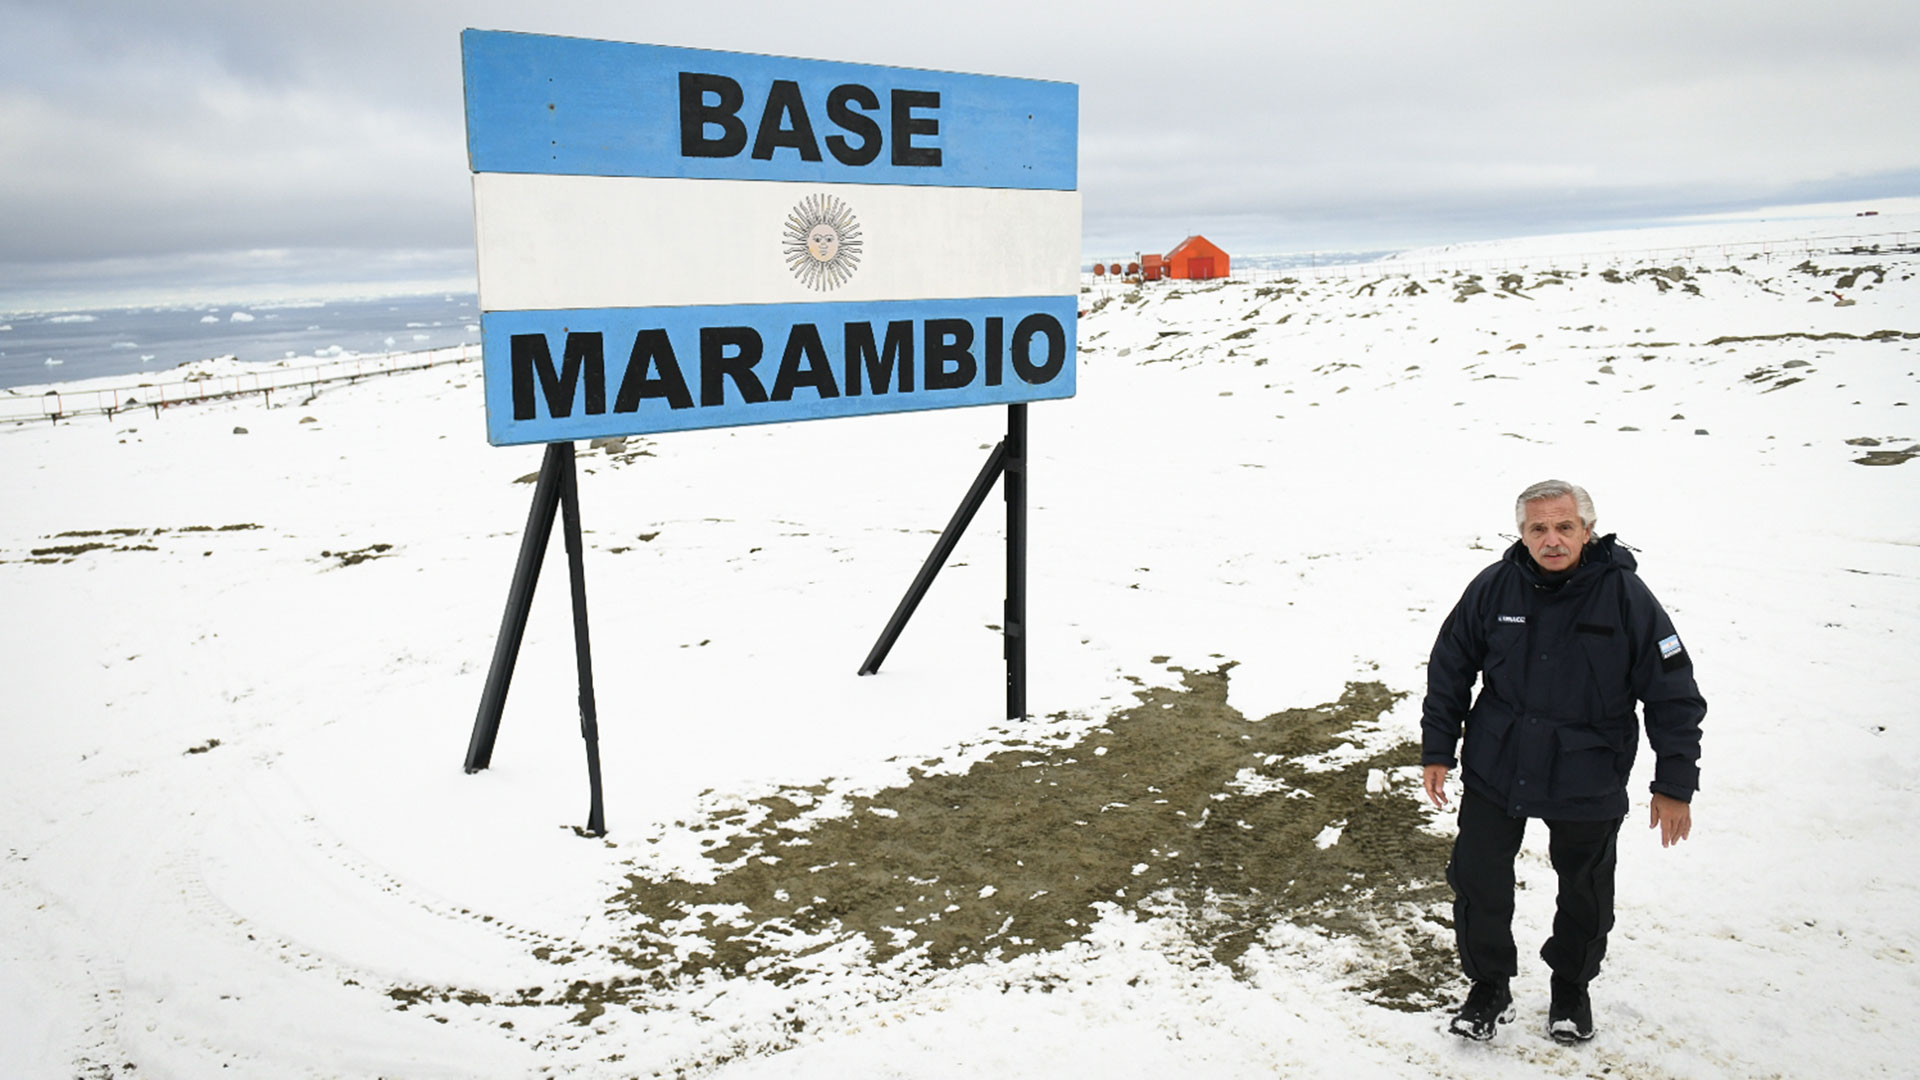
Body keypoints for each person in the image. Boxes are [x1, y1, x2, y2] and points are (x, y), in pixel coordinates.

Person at [1420, 480, 1705, 1044]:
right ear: (1522, 534)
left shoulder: (1626, 596)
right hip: (1497, 764)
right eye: (1538, 529)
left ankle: (1571, 989)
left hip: (1588, 770)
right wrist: (1438, 748)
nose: (1551, 540)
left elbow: (1674, 693)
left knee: (1585, 888)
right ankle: (1488, 987)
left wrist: (1674, 783)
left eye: (1563, 527)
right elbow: (1450, 665)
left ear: (1587, 530)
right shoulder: (1494, 588)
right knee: (1479, 880)